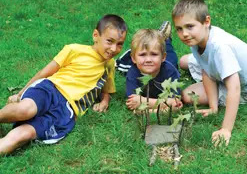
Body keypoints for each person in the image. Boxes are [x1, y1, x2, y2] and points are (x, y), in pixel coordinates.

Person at [0, 14, 127, 154]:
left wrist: (105, 101)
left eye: (120, 44)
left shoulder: (109, 65)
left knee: (24, 134)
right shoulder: (74, 50)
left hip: (66, 111)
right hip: (50, 89)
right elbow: (44, 73)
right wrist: (19, 94)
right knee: (25, 110)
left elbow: (106, 90)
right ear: (96, 35)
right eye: (110, 41)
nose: (114, 48)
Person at [172, 0, 247, 146]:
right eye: (179, 28)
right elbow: (206, 67)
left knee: (187, 95)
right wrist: (213, 107)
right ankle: (214, 100)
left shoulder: (220, 48)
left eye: (189, 26)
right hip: (226, 66)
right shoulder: (198, 38)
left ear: (206, 22)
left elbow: (234, 88)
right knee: (184, 61)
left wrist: (226, 129)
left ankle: (221, 98)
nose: (184, 34)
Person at [126, 22, 183, 111]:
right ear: (133, 59)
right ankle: (160, 39)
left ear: (163, 57)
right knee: (156, 47)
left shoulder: (170, 71)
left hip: (168, 62)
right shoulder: (132, 73)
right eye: (142, 55)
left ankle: (166, 39)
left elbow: (176, 102)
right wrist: (165, 106)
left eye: (154, 54)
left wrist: (144, 101)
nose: (148, 59)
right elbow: (132, 102)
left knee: (171, 55)